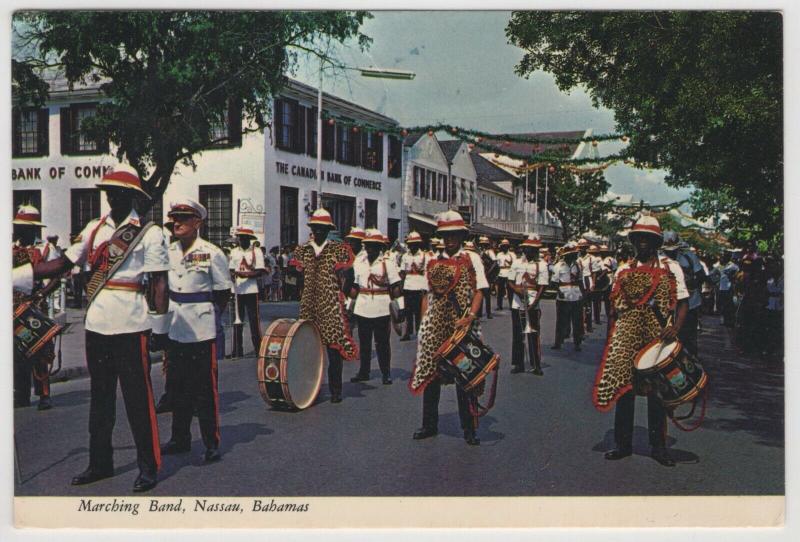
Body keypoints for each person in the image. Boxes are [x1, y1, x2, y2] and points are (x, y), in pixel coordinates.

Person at [33, 163, 169, 492]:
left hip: (131, 324)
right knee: (101, 399)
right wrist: (27, 271)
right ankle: (100, 463)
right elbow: (64, 263)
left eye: (118, 193)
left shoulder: (149, 232)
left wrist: (160, 327)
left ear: (133, 196)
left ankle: (148, 466)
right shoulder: (94, 228)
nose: (111, 199)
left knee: (138, 400)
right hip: (97, 324)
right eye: (108, 192)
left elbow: (160, 283)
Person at [595, 214, 689, 467]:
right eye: (639, 239)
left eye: (648, 239)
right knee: (624, 392)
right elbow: (613, 307)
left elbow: (682, 302)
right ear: (633, 241)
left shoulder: (671, 268)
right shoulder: (624, 269)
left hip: (657, 337)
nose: (643, 243)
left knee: (657, 394)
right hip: (626, 336)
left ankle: (658, 447)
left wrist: (676, 329)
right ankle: (622, 444)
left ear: (656, 242)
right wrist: (612, 338)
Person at [159, 199, 232, 463]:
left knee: (204, 389)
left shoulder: (212, 253)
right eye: (174, 218)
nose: (176, 222)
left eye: (183, 218)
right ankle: (180, 439)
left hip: (202, 329)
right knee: (177, 386)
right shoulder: (168, 252)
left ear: (197, 223)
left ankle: (211, 442)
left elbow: (223, 292)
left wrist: (210, 316)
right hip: (176, 326)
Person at [410, 211, 489, 446]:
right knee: (431, 375)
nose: (450, 240)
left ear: (461, 236)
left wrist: (471, 317)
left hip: (461, 325)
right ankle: (429, 424)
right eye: (446, 235)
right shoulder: (434, 260)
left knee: (465, 376)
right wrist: (425, 324)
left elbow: (480, 291)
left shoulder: (471, 259)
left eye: (454, 235)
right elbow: (427, 295)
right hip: (436, 325)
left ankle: (469, 427)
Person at [295, 209, 359, 403]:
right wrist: (302, 294)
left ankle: (336, 390)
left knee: (334, 349)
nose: (319, 231)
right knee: (309, 349)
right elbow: (298, 276)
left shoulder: (337, 249)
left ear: (328, 229)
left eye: (323, 228)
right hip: (308, 305)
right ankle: (309, 390)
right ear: (312, 229)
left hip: (330, 304)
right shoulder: (304, 250)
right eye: (316, 228)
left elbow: (349, 275)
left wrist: (342, 295)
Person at [12, 204, 55, 411]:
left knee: (40, 351)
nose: (19, 230)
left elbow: (57, 276)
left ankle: (44, 393)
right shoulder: (10, 247)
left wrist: (41, 294)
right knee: (17, 351)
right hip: (14, 306)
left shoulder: (45, 249)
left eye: (23, 227)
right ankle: (21, 393)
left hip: (36, 304)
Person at [349, 229, 402, 385]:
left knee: (382, 343)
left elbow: (396, 287)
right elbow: (355, 287)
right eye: (368, 245)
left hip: (381, 307)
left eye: (374, 245)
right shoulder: (358, 262)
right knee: (364, 342)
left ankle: (386, 373)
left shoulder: (388, 263)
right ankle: (364, 372)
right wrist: (348, 306)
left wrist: (401, 308)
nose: (370, 248)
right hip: (363, 306)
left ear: (380, 247)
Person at [508, 235, 549, 375]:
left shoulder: (542, 265)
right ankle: (518, 364)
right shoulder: (516, 263)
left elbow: (542, 287)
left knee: (533, 333)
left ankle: (536, 365)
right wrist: (517, 290)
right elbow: (510, 281)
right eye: (527, 248)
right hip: (517, 302)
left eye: (533, 249)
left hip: (532, 302)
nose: (529, 251)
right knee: (518, 335)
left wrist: (534, 304)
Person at [661, 232, 705, 357]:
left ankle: (691, 365)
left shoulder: (689, 257)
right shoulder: (660, 259)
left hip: (690, 302)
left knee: (688, 337)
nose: (671, 253)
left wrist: (689, 283)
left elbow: (701, 275)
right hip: (668, 305)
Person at [228, 227, 265, 357]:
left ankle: (258, 349)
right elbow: (231, 269)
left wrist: (246, 275)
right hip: (237, 290)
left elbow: (260, 271)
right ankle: (237, 351)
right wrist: (232, 275)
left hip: (251, 290)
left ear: (249, 239)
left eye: (245, 238)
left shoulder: (257, 251)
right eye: (240, 237)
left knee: (254, 321)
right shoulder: (233, 252)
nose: (242, 240)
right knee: (237, 322)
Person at [551, 242, 586, 351]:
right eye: (573, 254)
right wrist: (558, 291)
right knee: (561, 320)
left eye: (576, 253)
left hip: (576, 296)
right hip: (563, 295)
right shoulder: (558, 266)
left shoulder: (578, 265)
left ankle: (577, 343)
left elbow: (580, 281)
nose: (576, 255)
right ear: (567, 255)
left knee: (577, 321)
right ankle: (558, 342)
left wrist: (584, 295)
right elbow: (553, 282)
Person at [399, 231, 428, 341]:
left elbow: (426, 273)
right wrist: (401, 287)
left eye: (414, 244)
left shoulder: (424, 256)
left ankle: (419, 332)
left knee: (419, 311)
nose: (412, 246)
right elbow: (402, 272)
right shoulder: (405, 256)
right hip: (408, 286)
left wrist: (425, 288)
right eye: (410, 244)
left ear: (418, 244)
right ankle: (407, 332)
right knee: (408, 311)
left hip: (419, 287)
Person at [577, 239, 599, 332]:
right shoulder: (577, 258)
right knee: (579, 304)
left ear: (586, 248)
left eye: (583, 248)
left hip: (587, 280)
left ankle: (589, 325)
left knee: (588, 304)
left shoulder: (591, 258)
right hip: (579, 280)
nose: (581, 249)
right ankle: (580, 325)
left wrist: (593, 283)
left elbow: (594, 272)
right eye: (580, 248)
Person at [477, 236, 496, 319]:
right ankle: (479, 312)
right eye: (482, 244)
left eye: (485, 244)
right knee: (479, 293)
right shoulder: (478, 252)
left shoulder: (490, 252)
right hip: (480, 274)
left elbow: (494, 263)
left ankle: (488, 313)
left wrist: (489, 272)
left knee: (487, 295)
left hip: (487, 275)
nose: (483, 245)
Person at [494, 239, 515, 311]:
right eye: (503, 246)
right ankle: (499, 306)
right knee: (500, 291)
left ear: (508, 247)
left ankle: (512, 305)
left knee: (510, 291)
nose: (504, 248)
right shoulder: (499, 254)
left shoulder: (512, 254)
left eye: (506, 246)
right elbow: (497, 264)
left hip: (509, 273)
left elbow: (514, 265)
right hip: (501, 273)